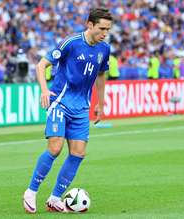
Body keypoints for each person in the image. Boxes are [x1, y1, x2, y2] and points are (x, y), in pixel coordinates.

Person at [23, 8, 113, 214]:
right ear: (90, 25)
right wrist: (44, 90)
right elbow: (41, 65)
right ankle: (31, 191)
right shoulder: (71, 43)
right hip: (60, 103)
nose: (105, 33)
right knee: (55, 148)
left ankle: (54, 199)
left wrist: (101, 102)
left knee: (78, 153)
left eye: (108, 29)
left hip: (82, 107)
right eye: (101, 28)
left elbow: (100, 75)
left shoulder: (104, 49)